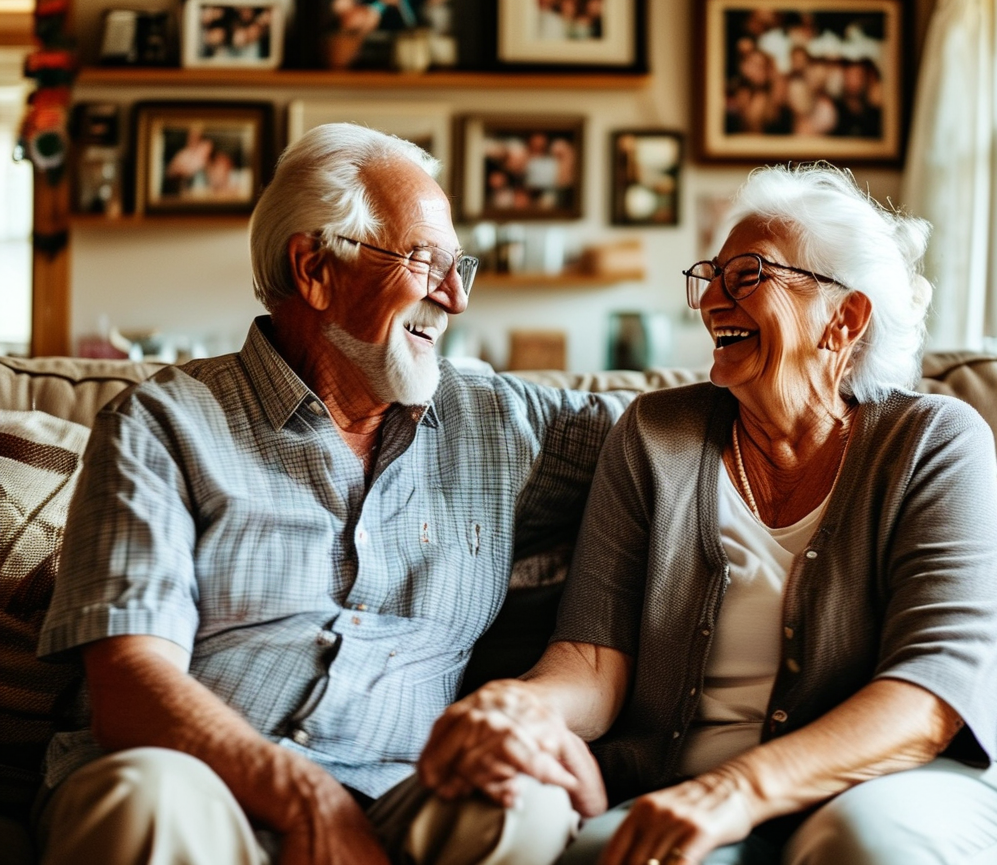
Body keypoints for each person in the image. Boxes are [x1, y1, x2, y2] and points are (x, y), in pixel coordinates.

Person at [418, 164, 997, 864]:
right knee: (606, 853)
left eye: (749, 276)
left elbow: (932, 694)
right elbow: (593, 659)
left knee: (862, 844)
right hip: (695, 789)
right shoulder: (655, 436)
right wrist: (523, 708)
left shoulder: (934, 440)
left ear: (844, 319)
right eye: (713, 276)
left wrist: (737, 789)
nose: (714, 301)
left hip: (924, 779)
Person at [34, 122, 628, 865]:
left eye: (459, 267)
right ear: (316, 267)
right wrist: (305, 798)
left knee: (523, 799)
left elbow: (677, 435)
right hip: (200, 786)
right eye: (424, 262)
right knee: (143, 798)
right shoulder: (162, 425)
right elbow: (130, 684)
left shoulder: (502, 423)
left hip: (406, 796)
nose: (454, 298)